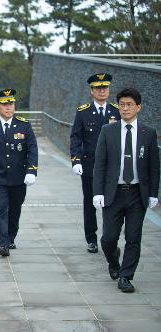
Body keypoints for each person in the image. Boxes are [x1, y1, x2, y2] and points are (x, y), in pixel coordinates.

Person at [93, 87, 159, 293]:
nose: (125, 108)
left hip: (137, 194)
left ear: (138, 107)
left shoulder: (148, 133)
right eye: (121, 104)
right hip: (113, 193)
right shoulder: (108, 131)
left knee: (133, 237)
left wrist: (153, 194)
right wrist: (98, 192)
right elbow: (100, 164)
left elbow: (154, 166)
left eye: (129, 104)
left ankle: (126, 276)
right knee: (108, 238)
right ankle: (114, 262)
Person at [70, 73, 120, 253]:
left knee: (111, 202)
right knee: (90, 203)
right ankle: (91, 238)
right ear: (92, 91)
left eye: (104, 88)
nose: (102, 91)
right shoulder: (83, 111)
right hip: (89, 166)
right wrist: (76, 160)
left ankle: (108, 237)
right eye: (98, 88)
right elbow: (75, 136)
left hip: (112, 167)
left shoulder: (116, 111)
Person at [0, 89, 38, 256]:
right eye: (4, 104)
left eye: (11, 104)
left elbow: (32, 149)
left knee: (15, 210)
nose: (8, 107)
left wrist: (32, 170)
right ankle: (3, 243)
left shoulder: (24, 125)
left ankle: (11, 236)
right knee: (0, 210)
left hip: (18, 177)